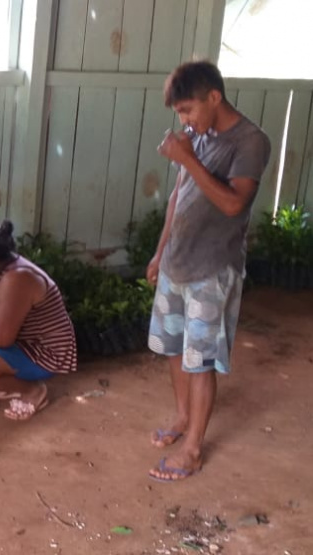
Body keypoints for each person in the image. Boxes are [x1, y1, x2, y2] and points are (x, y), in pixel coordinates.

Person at [146, 60, 270, 482]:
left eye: (188, 110)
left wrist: (186, 156)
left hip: (212, 269)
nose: (184, 120)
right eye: (179, 113)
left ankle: (194, 448)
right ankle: (183, 417)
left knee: (200, 360)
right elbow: (179, 197)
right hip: (177, 263)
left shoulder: (250, 141)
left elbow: (235, 203)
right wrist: (160, 253)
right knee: (176, 349)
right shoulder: (197, 137)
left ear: (214, 97)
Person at [0, 220, 77, 420]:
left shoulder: (17, 278)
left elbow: (3, 339)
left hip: (43, 348)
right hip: (17, 333)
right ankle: (7, 379)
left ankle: (33, 391)